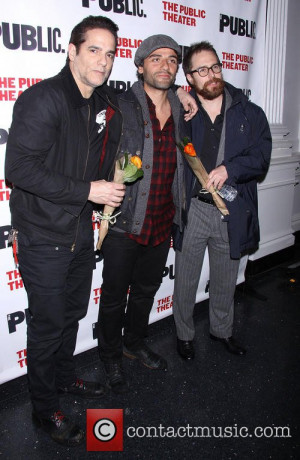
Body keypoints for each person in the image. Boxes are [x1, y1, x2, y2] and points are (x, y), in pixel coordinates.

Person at [5, 16, 126, 445]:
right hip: (43, 236)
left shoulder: (101, 101)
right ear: (71, 51)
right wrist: (87, 189)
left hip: (78, 232)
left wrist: (182, 93)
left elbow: (145, 100)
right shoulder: (43, 99)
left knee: (72, 315)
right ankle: (42, 412)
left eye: (110, 53)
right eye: (93, 49)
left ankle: (64, 378)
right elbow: (17, 169)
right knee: (48, 324)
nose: (103, 60)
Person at [97, 34, 189, 393]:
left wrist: (186, 93)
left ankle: (133, 343)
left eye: (171, 60)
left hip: (162, 219)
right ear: (140, 66)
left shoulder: (183, 108)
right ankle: (108, 356)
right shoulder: (120, 105)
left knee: (146, 291)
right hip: (125, 221)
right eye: (156, 58)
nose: (165, 65)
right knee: (114, 294)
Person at [173, 41, 272, 360]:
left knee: (226, 278)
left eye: (215, 66)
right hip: (195, 208)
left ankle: (222, 331)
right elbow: (150, 87)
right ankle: (184, 335)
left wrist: (231, 169)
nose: (211, 74)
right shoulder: (184, 109)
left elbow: (261, 157)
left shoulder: (249, 112)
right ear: (190, 77)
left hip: (231, 208)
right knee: (186, 280)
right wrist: (177, 91)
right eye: (201, 70)